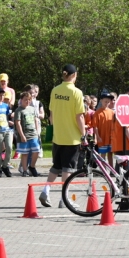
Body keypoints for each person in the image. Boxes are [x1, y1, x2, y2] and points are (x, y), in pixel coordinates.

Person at [38, 65, 87, 209]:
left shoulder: (55, 90)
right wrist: (83, 134)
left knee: (56, 166)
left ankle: (45, 191)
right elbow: (79, 117)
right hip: (71, 137)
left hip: (58, 136)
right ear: (74, 75)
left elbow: (51, 114)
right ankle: (64, 198)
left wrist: (55, 130)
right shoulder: (76, 92)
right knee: (68, 169)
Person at [14, 89, 41, 175]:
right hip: (24, 135)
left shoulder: (32, 109)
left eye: (29, 99)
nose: (27, 101)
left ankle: (32, 166)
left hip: (33, 134)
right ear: (21, 100)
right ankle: (25, 170)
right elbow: (18, 123)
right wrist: (22, 135)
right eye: (25, 99)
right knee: (25, 153)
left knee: (36, 151)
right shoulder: (18, 110)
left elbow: (35, 120)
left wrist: (37, 132)